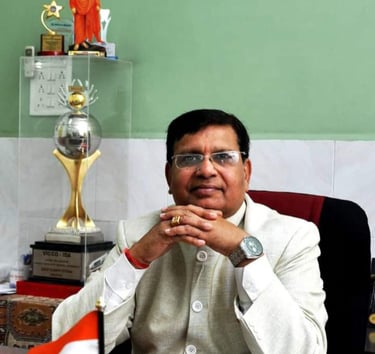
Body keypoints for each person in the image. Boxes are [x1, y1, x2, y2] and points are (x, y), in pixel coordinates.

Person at [52, 109, 327, 353]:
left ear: (246, 172)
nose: (206, 170)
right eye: (189, 158)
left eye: (223, 157)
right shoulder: (137, 235)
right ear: (168, 176)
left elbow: (307, 350)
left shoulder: (293, 238)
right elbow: (68, 344)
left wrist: (243, 252)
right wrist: (136, 260)